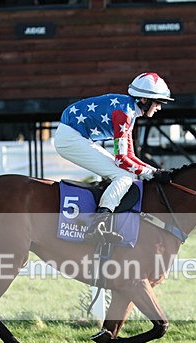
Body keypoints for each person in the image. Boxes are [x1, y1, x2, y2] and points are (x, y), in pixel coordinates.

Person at [54, 72, 173, 236]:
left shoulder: (128, 109)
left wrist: (154, 171)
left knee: (126, 175)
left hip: (75, 135)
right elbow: (122, 161)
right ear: (144, 100)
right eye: (158, 102)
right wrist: (151, 173)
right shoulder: (124, 114)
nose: (160, 107)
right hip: (70, 139)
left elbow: (129, 155)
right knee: (124, 177)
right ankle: (96, 226)